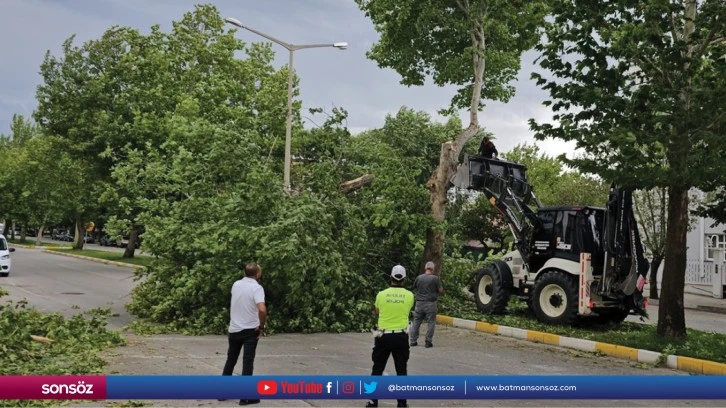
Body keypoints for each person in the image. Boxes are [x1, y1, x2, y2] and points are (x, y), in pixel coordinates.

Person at [367, 265, 414, 408]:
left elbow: (377, 311)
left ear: (390, 278)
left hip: (383, 336)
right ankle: (401, 402)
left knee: (377, 368)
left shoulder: (381, 295)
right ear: (404, 279)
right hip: (401, 336)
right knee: (401, 369)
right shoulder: (410, 295)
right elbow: (407, 310)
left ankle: (372, 401)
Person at [222, 262, 267, 406]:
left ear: (245, 272)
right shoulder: (257, 288)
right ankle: (245, 396)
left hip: (234, 329)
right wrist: (261, 326)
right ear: (258, 274)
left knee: (231, 360)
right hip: (249, 331)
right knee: (247, 362)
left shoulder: (236, 284)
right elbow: (262, 310)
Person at [409, 261, 443, 348]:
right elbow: (440, 290)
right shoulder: (435, 279)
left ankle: (413, 341)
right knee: (431, 322)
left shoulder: (419, 278)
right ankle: (428, 341)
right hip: (431, 303)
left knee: (416, 321)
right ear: (433, 269)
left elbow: (414, 287)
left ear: (425, 268)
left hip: (419, 303)